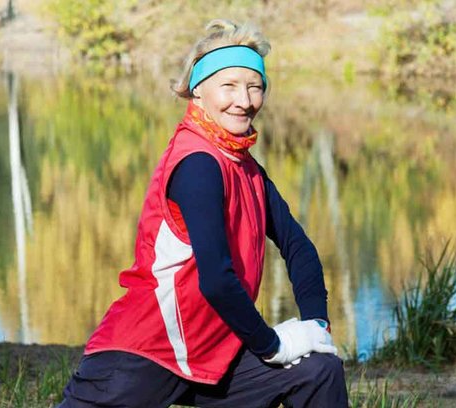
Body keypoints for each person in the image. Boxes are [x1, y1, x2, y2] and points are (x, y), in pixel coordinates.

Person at [57, 19, 348, 408]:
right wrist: (273, 345)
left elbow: (299, 249)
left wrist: (317, 330)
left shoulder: (246, 169)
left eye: (254, 86)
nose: (243, 100)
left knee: (317, 370)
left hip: (217, 353)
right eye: (228, 86)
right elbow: (216, 280)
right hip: (147, 351)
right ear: (198, 91)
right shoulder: (197, 163)